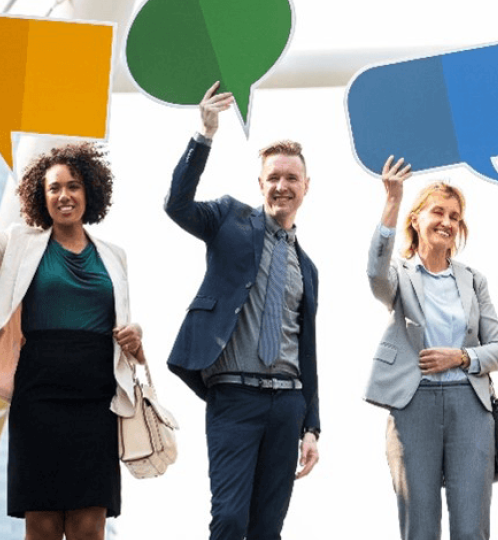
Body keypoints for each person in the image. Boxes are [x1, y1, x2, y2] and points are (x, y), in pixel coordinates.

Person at [0, 118, 143, 540]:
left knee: (90, 527)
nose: (64, 195)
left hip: (96, 399)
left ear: (90, 192)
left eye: (73, 186)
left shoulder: (114, 256)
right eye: (54, 188)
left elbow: (120, 325)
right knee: (43, 526)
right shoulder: (19, 244)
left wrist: (134, 336)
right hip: (39, 396)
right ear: (41, 197)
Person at [164, 82, 320, 540]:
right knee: (230, 519)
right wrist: (204, 133)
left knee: (267, 529)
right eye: (273, 177)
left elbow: (307, 349)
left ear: (306, 187)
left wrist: (312, 425)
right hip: (234, 398)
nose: (281, 186)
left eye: (291, 178)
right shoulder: (229, 219)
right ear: (261, 184)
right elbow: (177, 204)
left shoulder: (307, 267)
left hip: (287, 402)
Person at [364, 157, 498, 540]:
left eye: (455, 216)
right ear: (417, 219)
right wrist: (393, 200)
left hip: (470, 407)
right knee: (419, 528)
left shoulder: (474, 281)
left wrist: (461, 356)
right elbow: (375, 275)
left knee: (470, 529)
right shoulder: (400, 276)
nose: (447, 222)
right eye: (438, 212)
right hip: (414, 405)